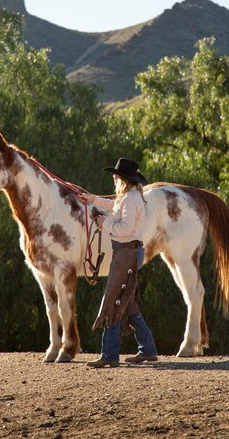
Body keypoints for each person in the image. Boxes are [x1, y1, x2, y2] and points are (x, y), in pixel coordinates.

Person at [81, 157, 158, 368]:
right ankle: (148, 349)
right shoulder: (128, 197)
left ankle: (109, 354)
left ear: (122, 178)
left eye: (115, 175)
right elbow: (113, 205)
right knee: (126, 303)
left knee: (113, 300)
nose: (113, 178)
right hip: (127, 252)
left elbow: (124, 228)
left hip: (126, 252)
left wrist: (102, 222)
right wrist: (93, 199)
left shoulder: (131, 200)